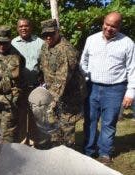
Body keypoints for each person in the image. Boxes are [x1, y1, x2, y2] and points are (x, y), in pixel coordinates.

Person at [80, 12, 135, 164]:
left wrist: (130, 93)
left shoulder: (128, 43)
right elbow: (83, 61)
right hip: (92, 87)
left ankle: (105, 153)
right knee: (90, 120)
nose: (109, 28)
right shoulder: (91, 39)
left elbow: (132, 69)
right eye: (107, 24)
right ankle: (89, 151)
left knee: (109, 122)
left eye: (114, 26)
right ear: (103, 22)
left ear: (119, 27)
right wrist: (85, 78)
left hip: (115, 89)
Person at [35, 19, 86, 149]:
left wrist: (50, 101)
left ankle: (68, 157)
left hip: (69, 96)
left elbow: (61, 80)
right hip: (54, 94)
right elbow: (42, 65)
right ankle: (57, 152)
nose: (48, 37)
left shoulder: (66, 50)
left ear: (58, 31)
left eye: (51, 33)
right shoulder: (45, 45)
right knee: (55, 126)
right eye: (45, 34)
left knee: (66, 127)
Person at [11, 18, 44, 144]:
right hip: (19, 86)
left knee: (35, 115)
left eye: (26, 26)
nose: (23, 28)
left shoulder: (40, 42)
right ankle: (22, 142)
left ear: (31, 27)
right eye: (20, 26)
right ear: (17, 28)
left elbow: (43, 62)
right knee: (20, 115)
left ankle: (34, 142)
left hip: (36, 85)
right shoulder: (13, 43)